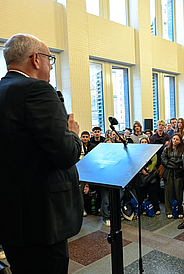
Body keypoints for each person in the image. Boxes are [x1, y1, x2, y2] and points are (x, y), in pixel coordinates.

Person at [0, 33, 83, 273]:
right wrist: (73, 133)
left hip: (11, 217)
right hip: (43, 219)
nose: (50, 67)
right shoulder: (38, 90)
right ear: (36, 59)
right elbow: (66, 155)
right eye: (49, 60)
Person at [161, 133, 184, 219]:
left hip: (179, 173)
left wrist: (173, 163)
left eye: (177, 139)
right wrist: (173, 164)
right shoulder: (167, 149)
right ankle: (168, 211)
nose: (175, 141)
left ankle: (180, 211)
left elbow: (182, 160)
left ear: (180, 141)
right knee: (168, 192)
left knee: (179, 193)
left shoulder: (183, 150)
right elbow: (164, 160)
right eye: (174, 139)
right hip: (168, 173)